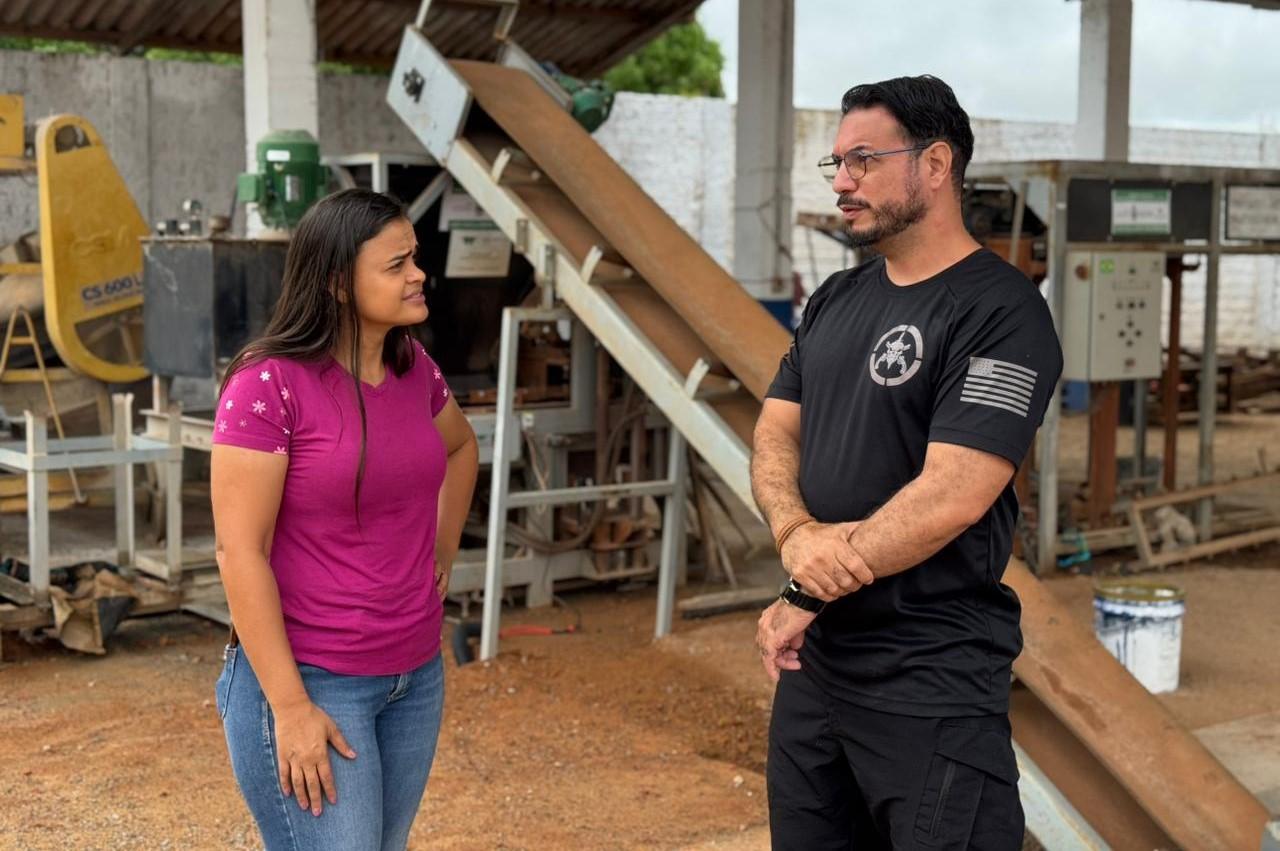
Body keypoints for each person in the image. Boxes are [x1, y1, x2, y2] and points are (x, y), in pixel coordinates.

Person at [751, 76, 1062, 850]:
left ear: (935, 163)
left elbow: (953, 493)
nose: (843, 182)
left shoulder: (999, 310)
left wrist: (804, 584)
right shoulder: (834, 299)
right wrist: (795, 536)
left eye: (863, 160)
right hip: (815, 676)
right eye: (836, 165)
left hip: (930, 681)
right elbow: (774, 432)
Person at [210, 189, 479, 851]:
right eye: (396, 264)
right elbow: (238, 550)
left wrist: (440, 549)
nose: (418, 273)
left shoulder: (414, 368)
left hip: (414, 673)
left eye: (414, 257)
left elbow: (462, 445)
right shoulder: (268, 383)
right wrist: (292, 706)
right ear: (336, 281)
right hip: (314, 679)